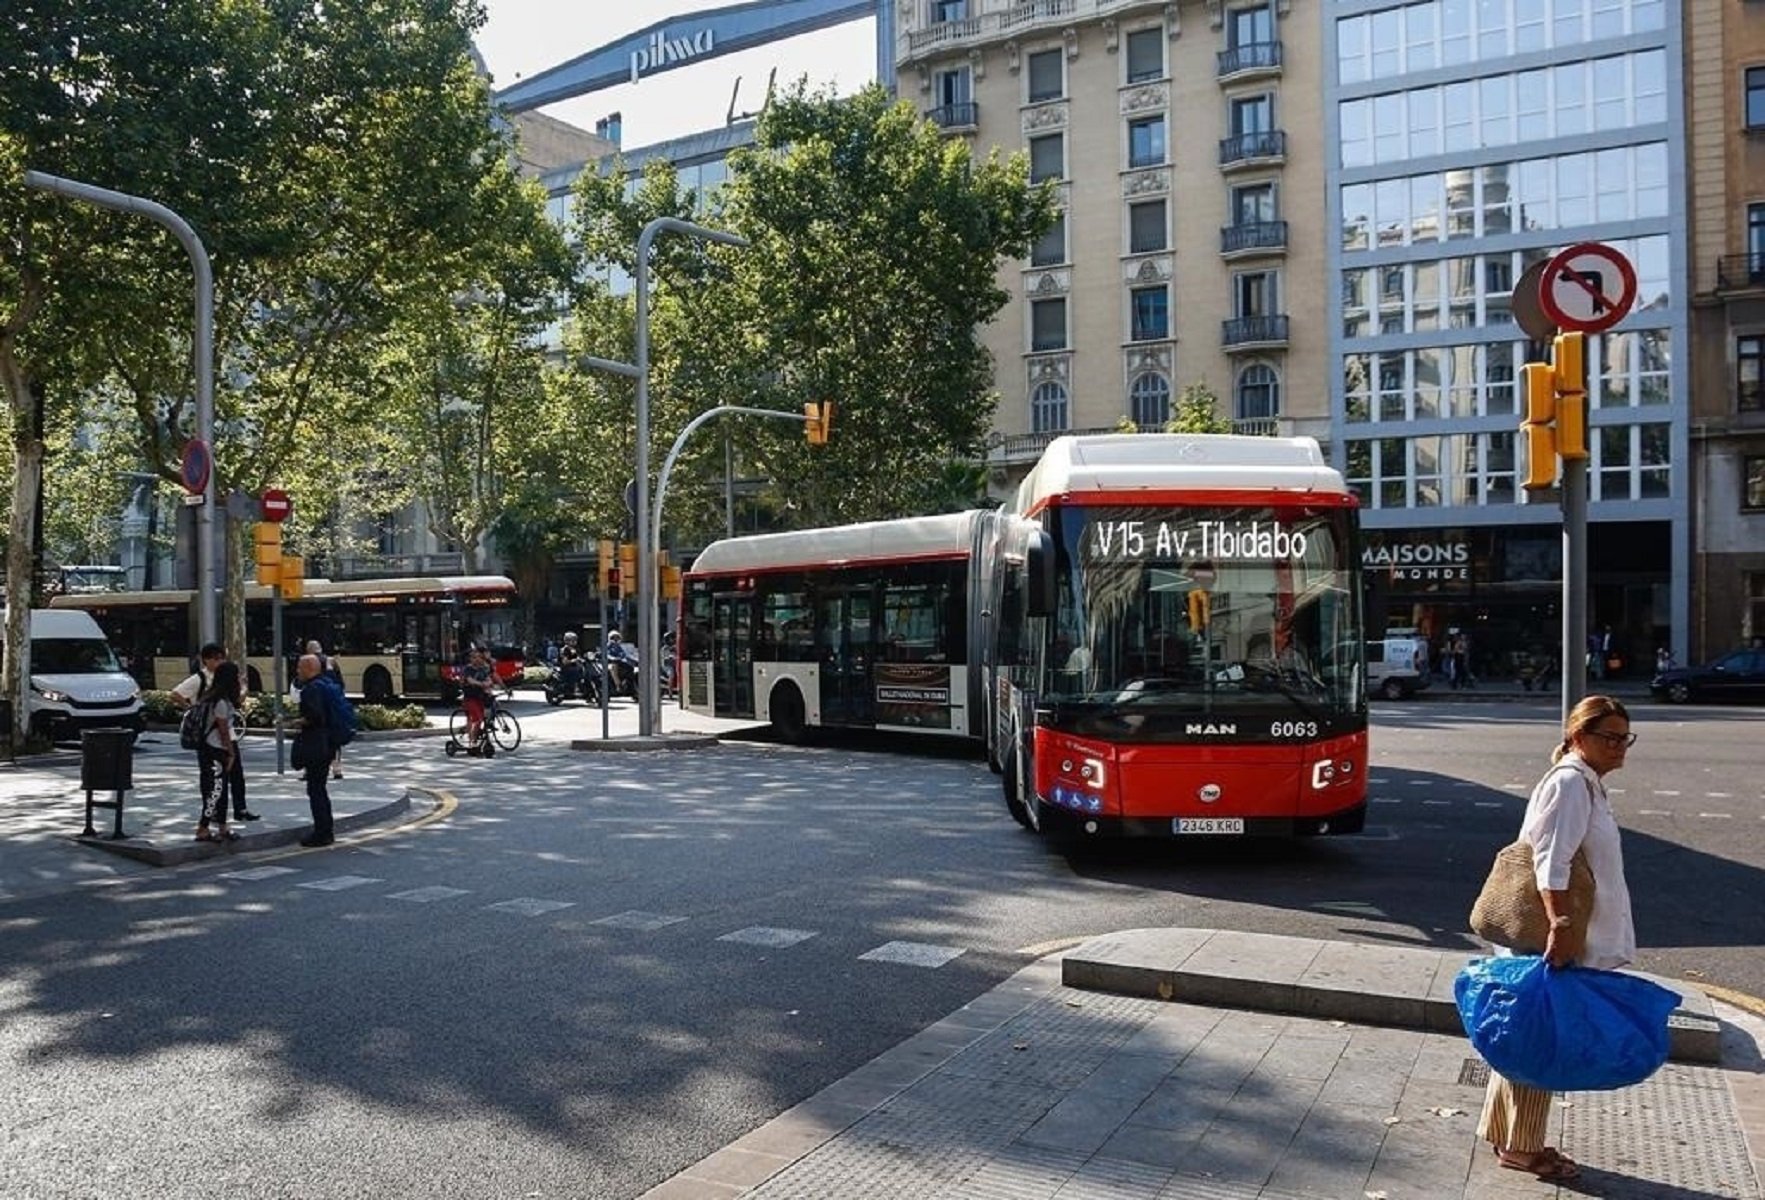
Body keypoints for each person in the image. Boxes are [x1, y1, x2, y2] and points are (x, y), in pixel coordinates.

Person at [1476, 694, 1637, 1183]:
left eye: (1624, 737)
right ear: (1577, 737)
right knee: (1539, 1036)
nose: (1618, 747)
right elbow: (1551, 862)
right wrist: (1561, 928)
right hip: (1550, 934)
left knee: (1524, 1030)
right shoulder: (1571, 783)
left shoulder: (1585, 783)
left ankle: (1504, 1132)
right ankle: (1523, 1149)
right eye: (1607, 737)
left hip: (1557, 931)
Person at [173, 642, 258, 824]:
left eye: (222, 658)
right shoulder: (200, 680)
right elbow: (176, 694)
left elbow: (235, 704)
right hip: (212, 741)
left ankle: (235, 811)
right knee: (213, 781)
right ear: (206, 660)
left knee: (233, 777)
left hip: (225, 737)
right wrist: (192, 709)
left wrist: (242, 688)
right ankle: (212, 816)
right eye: (216, 658)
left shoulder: (223, 681)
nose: (219, 662)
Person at [193, 662, 246, 843]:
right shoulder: (221, 702)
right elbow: (224, 731)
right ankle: (203, 828)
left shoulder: (211, 697)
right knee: (215, 791)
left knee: (219, 790)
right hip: (216, 750)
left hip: (208, 748)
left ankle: (222, 827)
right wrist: (231, 753)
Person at [294, 654, 335, 847]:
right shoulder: (327, 684)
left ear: (310, 668)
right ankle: (326, 829)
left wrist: (295, 721)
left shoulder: (311, 690)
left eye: (300, 668)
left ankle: (322, 832)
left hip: (316, 745)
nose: (297, 671)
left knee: (316, 789)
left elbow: (314, 716)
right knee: (320, 788)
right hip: (328, 742)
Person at [306, 639, 345, 780]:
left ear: (309, 651)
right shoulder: (331, 661)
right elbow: (341, 685)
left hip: (316, 707)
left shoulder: (309, 663)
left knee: (312, 738)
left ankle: (311, 770)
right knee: (334, 739)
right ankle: (337, 769)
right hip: (333, 708)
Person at [461, 645, 495, 753]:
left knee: (484, 718)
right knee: (477, 719)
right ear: (471, 659)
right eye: (474, 657)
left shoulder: (482, 669)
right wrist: (482, 684)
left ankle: (476, 738)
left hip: (481, 697)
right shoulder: (468, 669)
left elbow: (489, 680)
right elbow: (470, 681)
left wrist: (488, 683)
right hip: (470, 698)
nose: (477, 659)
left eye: (479, 657)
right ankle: (472, 742)